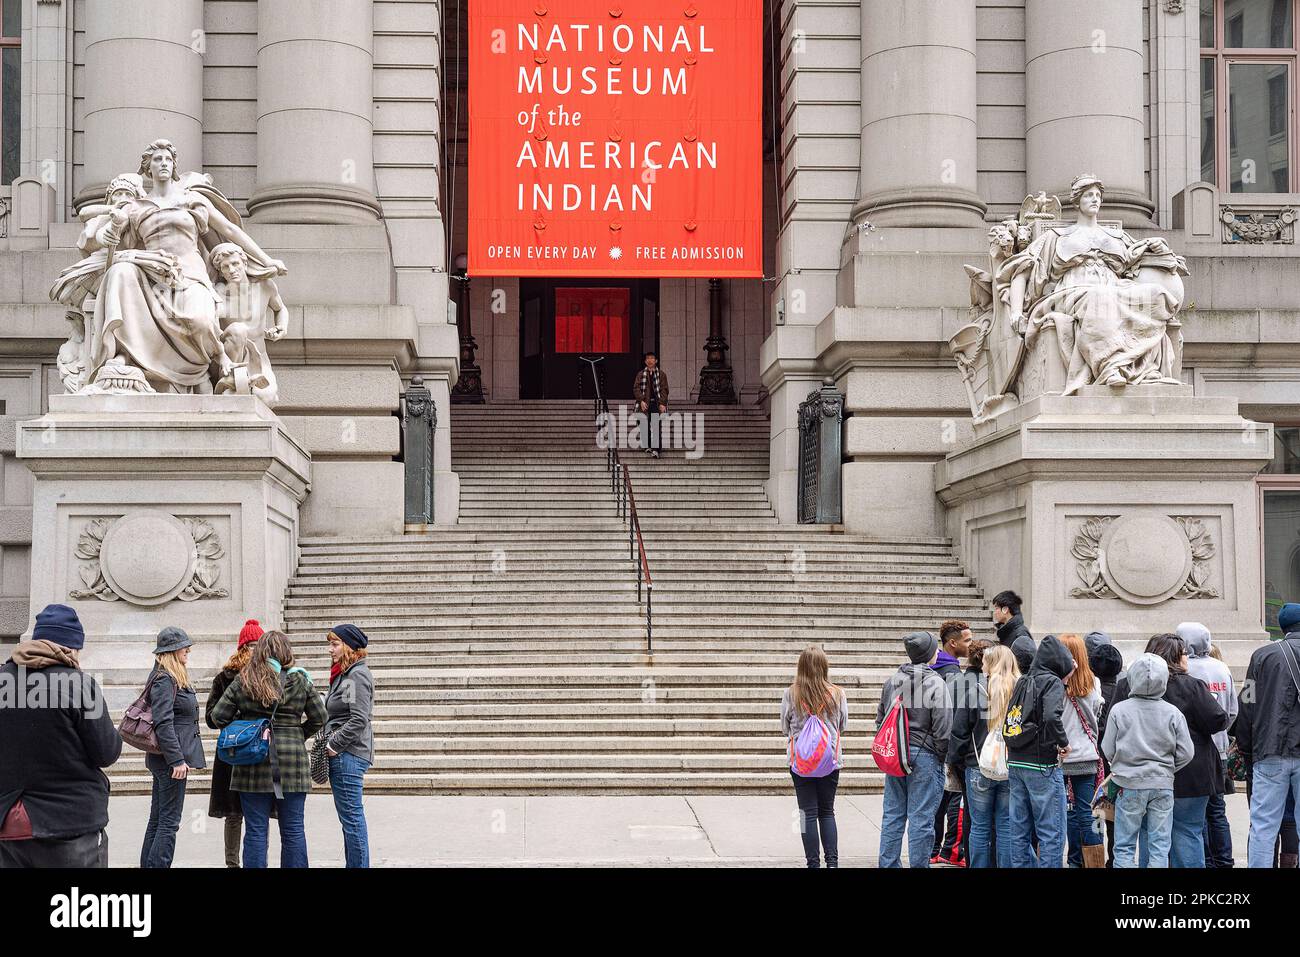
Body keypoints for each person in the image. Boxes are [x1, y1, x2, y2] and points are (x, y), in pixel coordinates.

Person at [0, 605, 121, 867]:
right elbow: (107, 752)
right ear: (72, 647)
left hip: (8, 823)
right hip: (70, 823)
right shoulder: (78, 684)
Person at [209, 630, 327, 869]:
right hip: (293, 762)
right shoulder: (300, 680)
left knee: (255, 830)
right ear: (286, 652)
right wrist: (297, 734)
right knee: (293, 829)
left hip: (252, 761)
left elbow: (218, 717)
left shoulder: (244, 680)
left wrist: (248, 728)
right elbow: (320, 717)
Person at [1108, 634, 1227, 868]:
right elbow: (1217, 720)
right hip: (1191, 775)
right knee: (1188, 832)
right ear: (1174, 656)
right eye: (1184, 653)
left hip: (1138, 775)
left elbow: (1111, 735)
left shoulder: (1126, 685)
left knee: (1146, 834)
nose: (1187, 658)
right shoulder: (1192, 685)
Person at [1102, 652, 1194, 867]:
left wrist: (1121, 764)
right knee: (1160, 845)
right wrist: (1168, 768)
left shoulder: (1119, 710)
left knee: (1124, 845)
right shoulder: (1173, 713)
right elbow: (1187, 752)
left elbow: (1107, 748)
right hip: (1162, 784)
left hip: (1128, 783)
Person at [877, 631, 950, 868]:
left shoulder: (892, 681)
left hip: (896, 754)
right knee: (921, 818)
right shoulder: (935, 683)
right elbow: (943, 725)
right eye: (935, 649)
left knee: (893, 814)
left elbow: (881, 719)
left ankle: (888, 864)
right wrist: (940, 754)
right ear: (928, 654)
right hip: (926, 755)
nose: (938, 652)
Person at [1236, 601, 1300, 868]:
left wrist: (1247, 749)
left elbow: (1247, 703)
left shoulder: (1262, 657)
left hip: (1269, 751)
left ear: (1283, 627)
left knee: (1263, 827)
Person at [1004, 634, 1073, 867]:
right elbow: (1052, 717)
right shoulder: (1052, 681)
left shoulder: (1023, 680)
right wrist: (1063, 743)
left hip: (1016, 761)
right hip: (1041, 762)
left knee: (1019, 829)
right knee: (1051, 830)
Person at [139, 626, 206, 869]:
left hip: (166, 759)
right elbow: (163, 722)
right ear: (171, 652)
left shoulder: (168, 677)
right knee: (168, 822)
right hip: (171, 762)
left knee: (158, 820)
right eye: (183, 647)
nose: (188, 650)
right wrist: (177, 760)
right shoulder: (165, 679)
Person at [950, 642, 1019, 867]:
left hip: (977, 765)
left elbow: (959, 733)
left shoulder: (975, 692)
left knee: (979, 827)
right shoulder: (1020, 692)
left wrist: (957, 762)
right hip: (1010, 767)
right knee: (1006, 825)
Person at [1177, 622, 1238, 869]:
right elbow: (1233, 709)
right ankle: (1225, 861)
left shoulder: (1184, 670)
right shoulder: (1222, 668)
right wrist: (1221, 732)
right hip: (1220, 749)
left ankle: (1204, 861)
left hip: (1193, 753)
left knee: (1196, 813)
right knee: (1218, 810)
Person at [781, 645, 848, 868]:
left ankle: (813, 864)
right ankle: (833, 863)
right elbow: (842, 726)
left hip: (801, 762)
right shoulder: (838, 693)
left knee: (806, 813)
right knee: (827, 811)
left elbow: (784, 727)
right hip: (830, 761)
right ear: (824, 666)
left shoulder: (791, 693)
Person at [206, 619, 263, 868]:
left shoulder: (268, 675)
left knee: (256, 812)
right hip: (232, 749)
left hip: (258, 750)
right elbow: (210, 717)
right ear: (243, 647)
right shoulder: (225, 678)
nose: (256, 650)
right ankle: (232, 864)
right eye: (252, 645)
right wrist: (237, 719)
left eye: (260, 645)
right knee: (233, 813)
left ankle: (254, 861)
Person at [324, 624, 375, 868]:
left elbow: (359, 718)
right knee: (350, 820)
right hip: (346, 753)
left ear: (349, 647)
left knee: (352, 820)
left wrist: (334, 744)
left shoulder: (356, 675)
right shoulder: (344, 674)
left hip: (348, 754)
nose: (330, 650)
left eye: (335, 644)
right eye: (330, 644)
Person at [1058, 633, 1105, 867]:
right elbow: (1096, 714)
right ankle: (1094, 862)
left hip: (1060, 756)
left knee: (1064, 811)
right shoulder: (1093, 682)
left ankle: (1074, 859)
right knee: (1089, 813)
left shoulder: (1055, 683)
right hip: (1086, 755)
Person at [930, 620, 970, 866]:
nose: (970, 644)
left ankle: (934, 848)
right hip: (951, 746)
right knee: (955, 798)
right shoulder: (954, 675)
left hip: (934, 745)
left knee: (938, 800)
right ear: (952, 644)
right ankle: (950, 851)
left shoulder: (932, 669)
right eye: (966, 640)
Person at [1084, 629, 1124, 866]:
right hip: (1116, 764)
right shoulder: (1124, 691)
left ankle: (1092, 859)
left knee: (1094, 814)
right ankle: (1114, 859)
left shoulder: (1087, 690)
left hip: (1094, 761)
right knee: (1114, 819)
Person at [632, 351, 669, 457]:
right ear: (645, 361)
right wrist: (641, 400)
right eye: (648, 358)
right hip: (644, 403)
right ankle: (647, 446)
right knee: (643, 424)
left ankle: (656, 449)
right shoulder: (640, 374)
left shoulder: (661, 374)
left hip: (656, 404)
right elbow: (636, 388)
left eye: (652, 358)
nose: (650, 360)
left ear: (656, 361)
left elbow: (664, 390)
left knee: (656, 425)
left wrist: (662, 403)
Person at [992, 590, 1036, 673]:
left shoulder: (1021, 634)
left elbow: (1025, 669)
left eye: (996, 608)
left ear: (1005, 609)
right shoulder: (1006, 632)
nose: (994, 613)